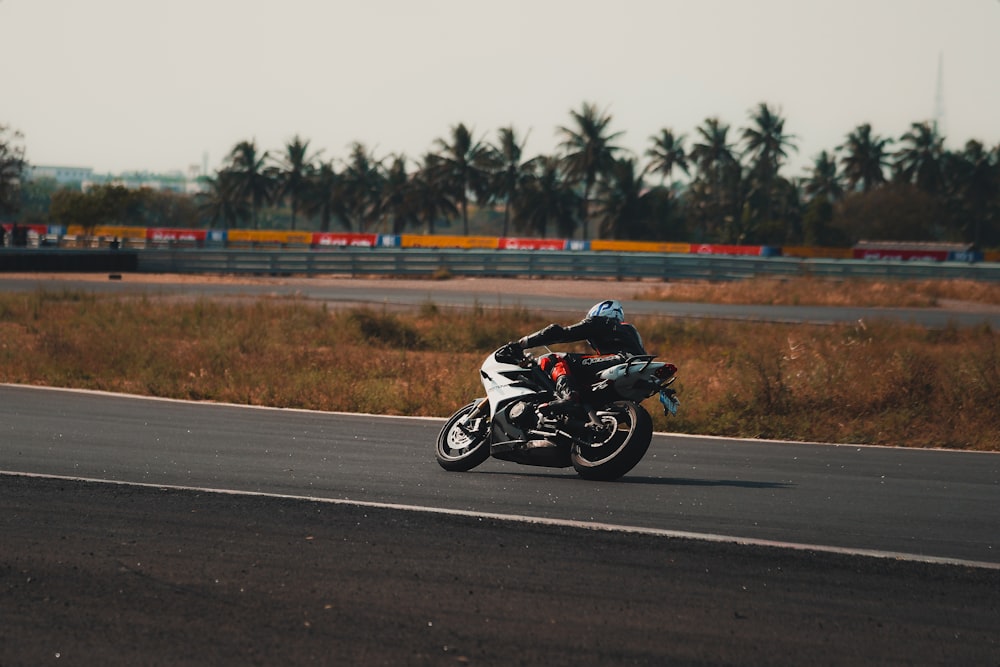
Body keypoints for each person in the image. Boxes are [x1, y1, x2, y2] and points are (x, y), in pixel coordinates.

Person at [505, 299, 662, 413]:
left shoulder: (601, 321)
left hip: (621, 361)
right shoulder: (630, 331)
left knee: (553, 358)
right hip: (635, 373)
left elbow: (558, 333)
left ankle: (568, 396)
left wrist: (522, 344)